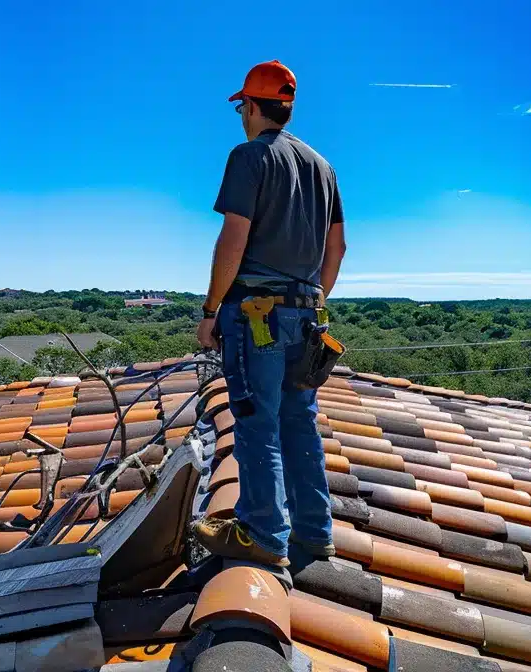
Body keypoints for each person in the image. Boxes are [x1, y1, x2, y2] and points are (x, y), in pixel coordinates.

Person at [191, 60, 348, 568]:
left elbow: (233, 239)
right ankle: (313, 531)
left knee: (256, 421)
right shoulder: (322, 167)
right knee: (299, 422)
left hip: (256, 313)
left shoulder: (250, 156)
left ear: (253, 106)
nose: (240, 116)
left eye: (242, 106)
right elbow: (338, 247)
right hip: (306, 316)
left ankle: (263, 534)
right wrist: (312, 300)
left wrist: (212, 309)